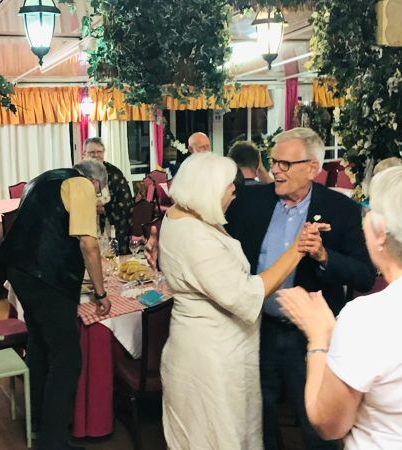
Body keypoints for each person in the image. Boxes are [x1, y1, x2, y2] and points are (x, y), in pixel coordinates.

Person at [146, 127, 375, 450]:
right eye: (273, 161)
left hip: (308, 339)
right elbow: (195, 214)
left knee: (317, 428)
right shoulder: (251, 200)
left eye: (285, 164)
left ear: (312, 167)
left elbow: (364, 276)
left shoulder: (341, 209)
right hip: (255, 330)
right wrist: (159, 236)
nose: (276, 170)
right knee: (256, 422)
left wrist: (324, 256)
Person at [277, 164, 402, 448]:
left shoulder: (367, 317)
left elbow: (329, 423)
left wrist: (319, 338)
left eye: (369, 211)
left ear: (381, 231)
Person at [159, 153, 317, 449]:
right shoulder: (196, 237)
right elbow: (246, 294)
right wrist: (297, 248)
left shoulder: (180, 214)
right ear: (207, 188)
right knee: (216, 434)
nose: (235, 189)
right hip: (211, 354)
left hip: (205, 344)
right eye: (228, 184)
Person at [0, 159, 112, 450]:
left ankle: (37, 424)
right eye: (99, 193)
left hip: (19, 270)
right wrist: (101, 293)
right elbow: (88, 244)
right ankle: (54, 441)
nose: (97, 199)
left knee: (39, 345)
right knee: (67, 357)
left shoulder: (43, 179)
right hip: (47, 277)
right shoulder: (82, 185)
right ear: (95, 183)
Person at [84, 137, 134, 253]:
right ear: (84, 153)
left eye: (99, 152)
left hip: (110, 225)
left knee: (110, 256)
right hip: (86, 224)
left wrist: (105, 209)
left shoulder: (114, 173)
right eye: (92, 152)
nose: (96, 155)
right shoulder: (78, 173)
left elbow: (126, 202)